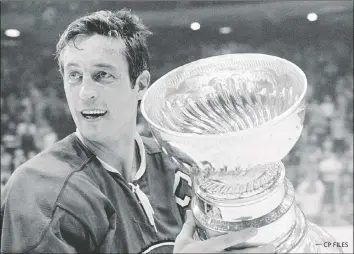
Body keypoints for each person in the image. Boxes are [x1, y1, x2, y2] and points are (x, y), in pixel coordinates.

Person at [1, 9, 275, 253]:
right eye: (74, 76)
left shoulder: (177, 164)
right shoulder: (40, 192)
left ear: (141, 84)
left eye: (102, 75)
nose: (85, 94)